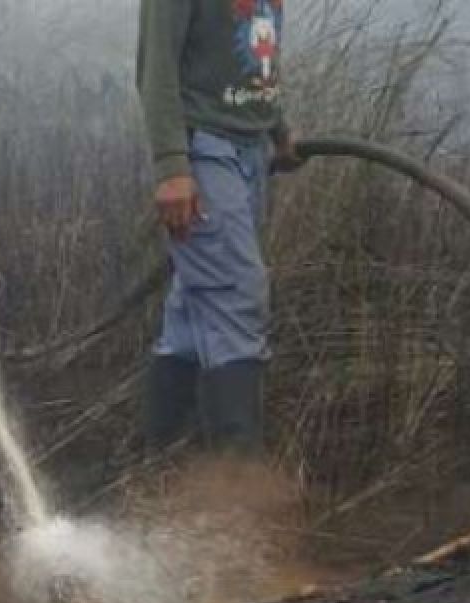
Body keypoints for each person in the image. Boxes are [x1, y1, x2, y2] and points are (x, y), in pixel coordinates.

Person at [137, 0, 304, 456]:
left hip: (248, 148)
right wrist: (172, 166)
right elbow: (156, 68)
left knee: (194, 312)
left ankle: (161, 461)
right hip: (204, 148)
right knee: (237, 295)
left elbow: (252, 55)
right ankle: (237, 484)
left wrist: (278, 127)